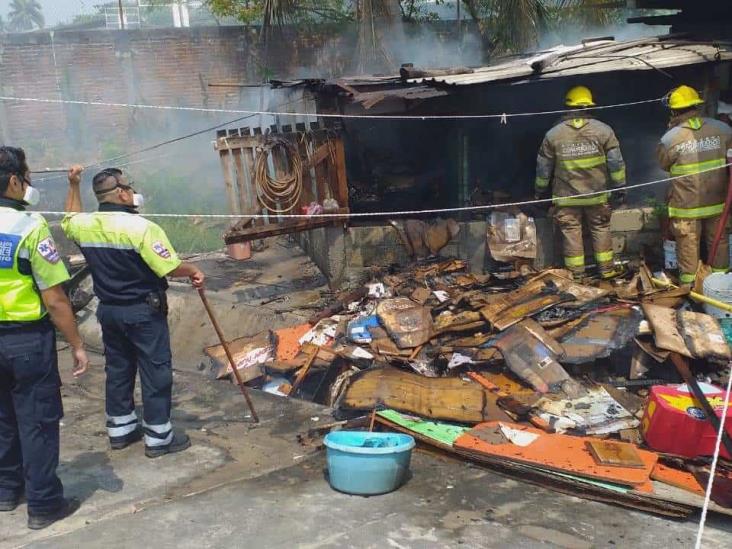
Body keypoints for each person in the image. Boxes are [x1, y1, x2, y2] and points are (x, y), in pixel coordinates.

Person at [62, 167, 204, 458]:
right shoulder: (141, 227)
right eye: (129, 186)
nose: (132, 190)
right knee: (155, 371)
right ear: (121, 193)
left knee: (119, 368)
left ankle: (121, 430)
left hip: (109, 312)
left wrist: (73, 185)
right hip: (142, 312)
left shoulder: (85, 225)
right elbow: (168, 267)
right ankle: (158, 437)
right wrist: (193, 270)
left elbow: (69, 218)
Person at [0, 147, 90, 530]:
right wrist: (77, 344)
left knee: (3, 418)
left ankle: (6, 491)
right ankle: (44, 503)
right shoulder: (30, 227)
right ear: (14, 181)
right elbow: (54, 298)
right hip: (25, 340)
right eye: (27, 176)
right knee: (36, 420)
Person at [535, 85, 627, 280]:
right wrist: (620, 187)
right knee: (601, 229)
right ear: (589, 107)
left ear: (567, 107)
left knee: (571, 233)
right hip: (597, 196)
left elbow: (543, 168)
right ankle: (607, 271)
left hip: (567, 199)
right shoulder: (604, 131)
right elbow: (616, 163)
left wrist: (540, 191)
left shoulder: (553, 134)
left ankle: (576, 275)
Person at [657, 85, 732, 284]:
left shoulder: (670, 138)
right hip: (718, 204)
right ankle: (721, 286)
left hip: (687, 208)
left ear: (674, 111)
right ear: (696, 106)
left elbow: (664, 165)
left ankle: (690, 289)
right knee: (720, 243)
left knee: (687, 246)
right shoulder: (723, 129)